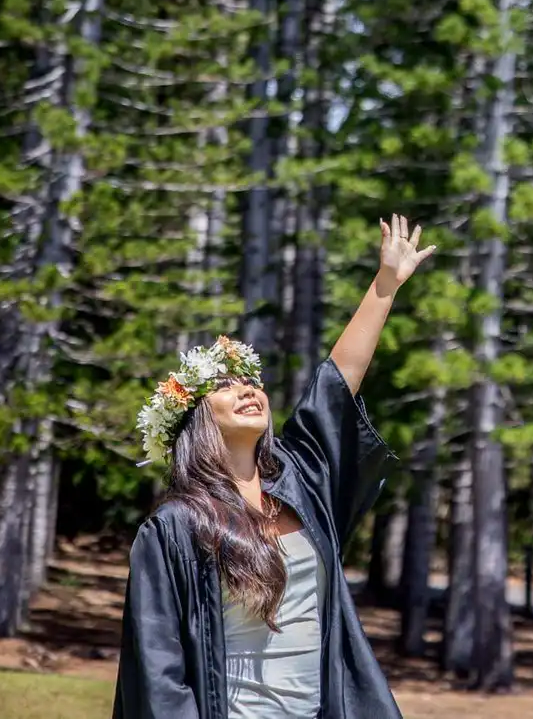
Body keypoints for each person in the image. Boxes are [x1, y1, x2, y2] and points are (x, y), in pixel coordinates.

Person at [113, 214, 435, 719]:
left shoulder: (301, 484)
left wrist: (385, 285)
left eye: (251, 381)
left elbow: (336, 386)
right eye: (225, 386)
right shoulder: (176, 526)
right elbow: (158, 668)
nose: (247, 389)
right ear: (193, 417)